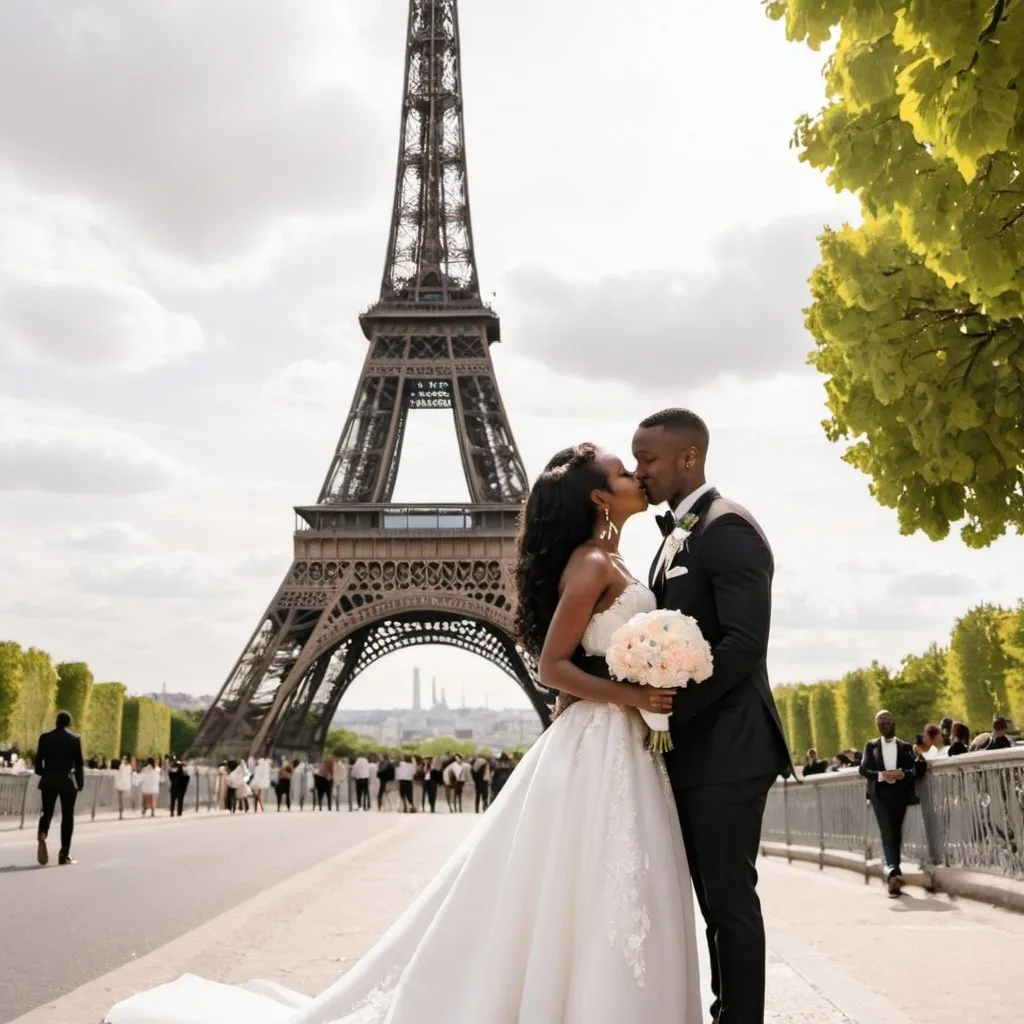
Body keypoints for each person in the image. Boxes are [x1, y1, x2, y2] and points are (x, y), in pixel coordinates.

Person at [104, 443, 701, 1024]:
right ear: (599, 496)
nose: (636, 477)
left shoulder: (621, 559)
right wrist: (635, 694)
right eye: (624, 471)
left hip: (616, 746)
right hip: (603, 740)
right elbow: (552, 666)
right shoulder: (593, 562)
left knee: (606, 881)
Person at [633, 408, 790, 1024]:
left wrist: (668, 709)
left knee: (728, 903)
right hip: (704, 749)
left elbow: (746, 643)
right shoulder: (683, 532)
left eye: (648, 458)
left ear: (688, 458)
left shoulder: (727, 528)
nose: (639, 469)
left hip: (729, 747)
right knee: (715, 903)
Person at [859, 710, 927, 897]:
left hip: (899, 794)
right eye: (880, 723)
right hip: (879, 795)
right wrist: (883, 775)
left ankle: (893, 873)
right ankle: (893, 872)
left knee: (896, 833)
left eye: (886, 723)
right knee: (887, 832)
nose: (883, 726)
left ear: (893, 724)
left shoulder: (905, 747)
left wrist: (904, 771)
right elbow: (863, 769)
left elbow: (916, 770)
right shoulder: (870, 746)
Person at [35, 711, 85, 866]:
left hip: (49, 779)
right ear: (69, 724)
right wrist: (80, 783)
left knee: (47, 812)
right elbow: (78, 764)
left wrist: (45, 773)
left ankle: (43, 832)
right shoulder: (74, 739)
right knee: (67, 816)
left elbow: (38, 764)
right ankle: (64, 853)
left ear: (56, 722)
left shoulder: (45, 738)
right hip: (66, 780)